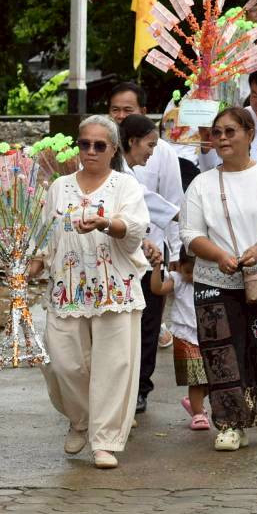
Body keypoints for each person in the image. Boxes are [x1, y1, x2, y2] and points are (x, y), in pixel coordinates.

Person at [30, 115, 150, 469]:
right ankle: (79, 418)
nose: (92, 151)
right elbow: (47, 236)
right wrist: (31, 265)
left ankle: (105, 440)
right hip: (68, 289)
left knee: (114, 365)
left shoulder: (125, 187)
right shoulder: (60, 186)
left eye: (100, 145)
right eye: (85, 144)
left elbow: (135, 229)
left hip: (115, 287)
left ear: (114, 149)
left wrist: (106, 223)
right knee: (64, 362)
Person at [181, 107, 257, 451]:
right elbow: (189, 233)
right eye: (217, 133)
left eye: (230, 131)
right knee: (221, 353)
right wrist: (219, 256)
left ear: (250, 134)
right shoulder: (202, 184)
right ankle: (232, 423)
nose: (222, 139)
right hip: (214, 280)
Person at [107, 83, 183, 414]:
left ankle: (140, 388)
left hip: (152, 254)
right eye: (115, 110)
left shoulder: (162, 154)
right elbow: (146, 201)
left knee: (148, 322)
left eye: (129, 109)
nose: (151, 151)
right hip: (116, 257)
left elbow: (170, 202)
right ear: (132, 142)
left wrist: (179, 250)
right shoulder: (110, 166)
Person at [148, 245, 207, 430]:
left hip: (207, 334)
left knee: (213, 377)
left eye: (197, 271)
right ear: (179, 266)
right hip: (185, 335)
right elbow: (157, 289)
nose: (193, 277)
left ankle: (193, 401)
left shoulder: (209, 280)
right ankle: (198, 414)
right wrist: (157, 267)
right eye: (188, 271)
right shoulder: (178, 280)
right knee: (196, 378)